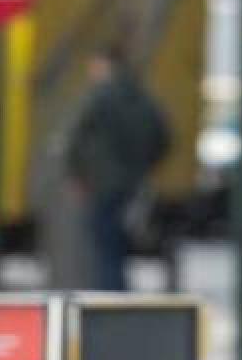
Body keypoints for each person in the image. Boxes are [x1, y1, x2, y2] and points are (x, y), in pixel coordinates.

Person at [65, 47, 170, 290]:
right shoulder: (141, 97)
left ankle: (108, 292)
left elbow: (77, 138)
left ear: (105, 66)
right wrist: (144, 166)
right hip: (131, 182)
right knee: (118, 240)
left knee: (103, 243)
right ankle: (118, 291)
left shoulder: (99, 97)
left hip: (101, 182)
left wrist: (77, 173)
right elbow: (163, 137)